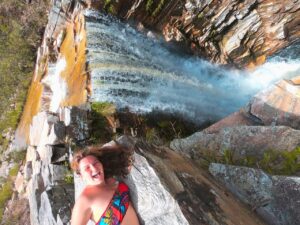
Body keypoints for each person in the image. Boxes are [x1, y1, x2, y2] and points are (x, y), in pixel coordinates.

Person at [70, 144, 140, 225]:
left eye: (95, 163)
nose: (94, 168)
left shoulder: (113, 181)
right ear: (81, 176)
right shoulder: (85, 200)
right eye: (87, 168)